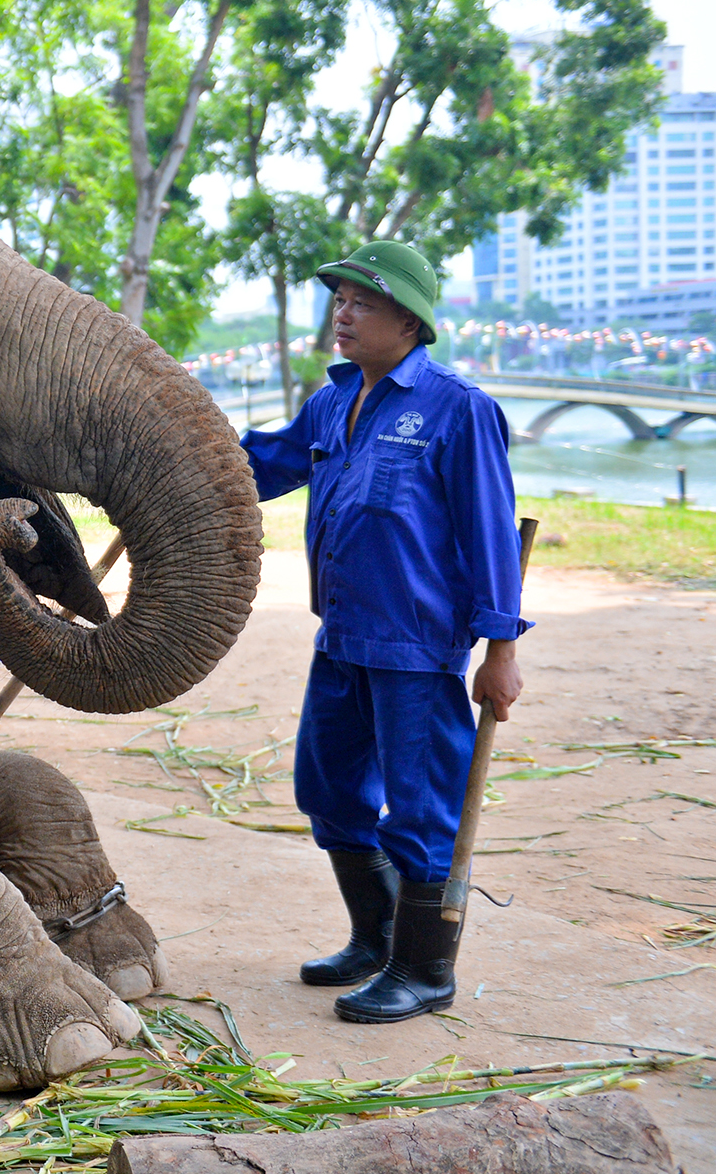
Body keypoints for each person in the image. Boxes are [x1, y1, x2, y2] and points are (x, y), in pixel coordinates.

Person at [240, 240, 531, 1025]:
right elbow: (261, 465)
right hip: (340, 637)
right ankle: (374, 939)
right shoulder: (334, 402)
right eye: (339, 300)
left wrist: (500, 651)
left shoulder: (457, 409)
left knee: (422, 808)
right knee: (327, 788)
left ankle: (423, 969)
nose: (344, 313)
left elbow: (492, 538)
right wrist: (176, 456)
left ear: (409, 320)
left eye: (362, 303)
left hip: (415, 647)